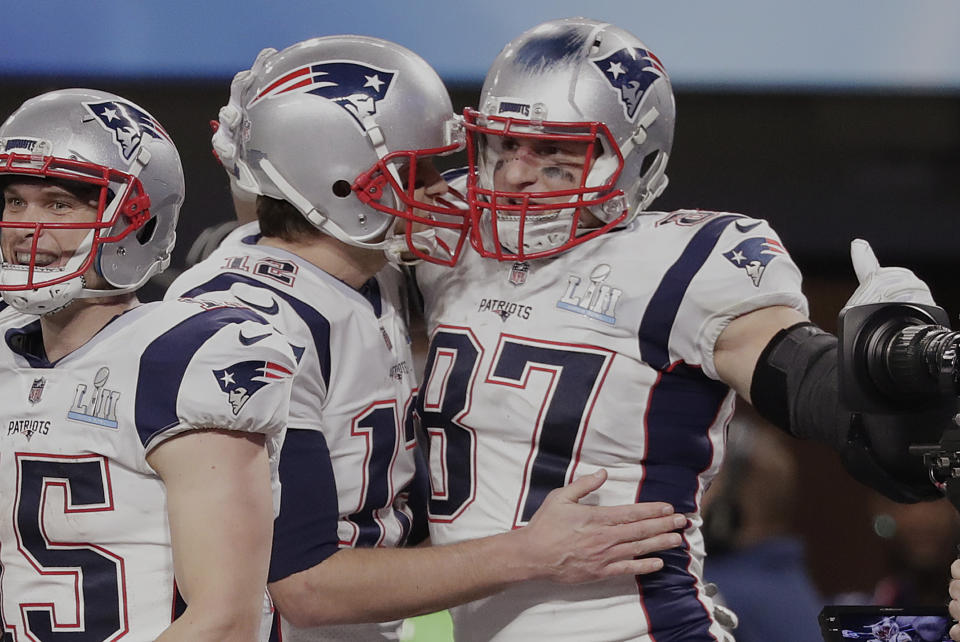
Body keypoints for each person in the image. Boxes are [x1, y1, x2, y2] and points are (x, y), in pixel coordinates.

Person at [411, 17, 949, 641]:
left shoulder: (680, 263)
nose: (515, 176)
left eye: (557, 153)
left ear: (632, 158)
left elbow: (802, 380)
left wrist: (886, 367)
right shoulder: (446, 238)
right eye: (505, 145)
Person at [167, 36, 690, 641]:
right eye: (414, 173)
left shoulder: (364, 275)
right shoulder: (255, 326)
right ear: (335, 185)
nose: (447, 193)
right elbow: (308, 586)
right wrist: (531, 554)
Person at [0, 89, 300, 640]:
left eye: (59, 204)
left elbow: (225, 621)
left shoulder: (183, 359)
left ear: (136, 220)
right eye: (15, 201)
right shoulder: (4, 351)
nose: (26, 226)